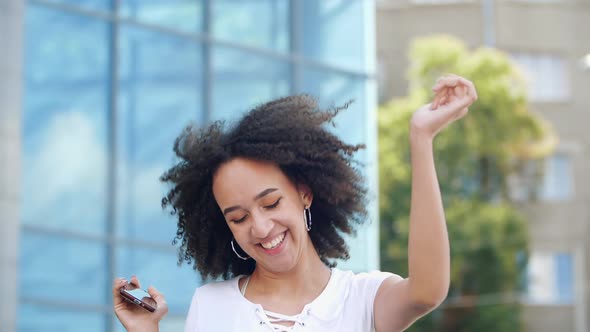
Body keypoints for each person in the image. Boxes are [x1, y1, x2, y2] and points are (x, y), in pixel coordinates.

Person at [112, 74, 478, 332]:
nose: (260, 227)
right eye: (238, 218)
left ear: (304, 192)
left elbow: (428, 290)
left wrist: (421, 137)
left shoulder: (362, 299)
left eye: (271, 203)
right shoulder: (210, 306)